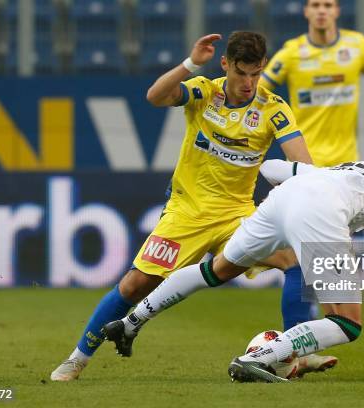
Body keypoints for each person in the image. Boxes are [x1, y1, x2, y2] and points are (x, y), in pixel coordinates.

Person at [101, 159, 364, 382]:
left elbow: (271, 169)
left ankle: (133, 320)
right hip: (319, 210)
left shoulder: (355, 171)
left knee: (218, 269)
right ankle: (261, 357)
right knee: (348, 324)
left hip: (286, 198)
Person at [50, 31, 313, 381]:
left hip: (237, 216)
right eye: (241, 73)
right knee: (134, 286)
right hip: (186, 211)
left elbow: (303, 165)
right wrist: (190, 64)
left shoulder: (273, 110)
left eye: (256, 73)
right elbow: (155, 96)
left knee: (295, 260)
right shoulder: (205, 91)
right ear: (225, 65)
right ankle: (76, 359)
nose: (249, 83)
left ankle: (294, 351)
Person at [260, 0, 364, 347]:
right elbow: (256, 90)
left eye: (329, 4)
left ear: (337, 11)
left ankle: (299, 340)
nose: (322, 10)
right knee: (301, 261)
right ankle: (298, 342)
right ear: (306, 12)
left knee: (313, 263)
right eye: (315, 5)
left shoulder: (357, 47)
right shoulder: (291, 54)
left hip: (345, 173)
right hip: (303, 168)